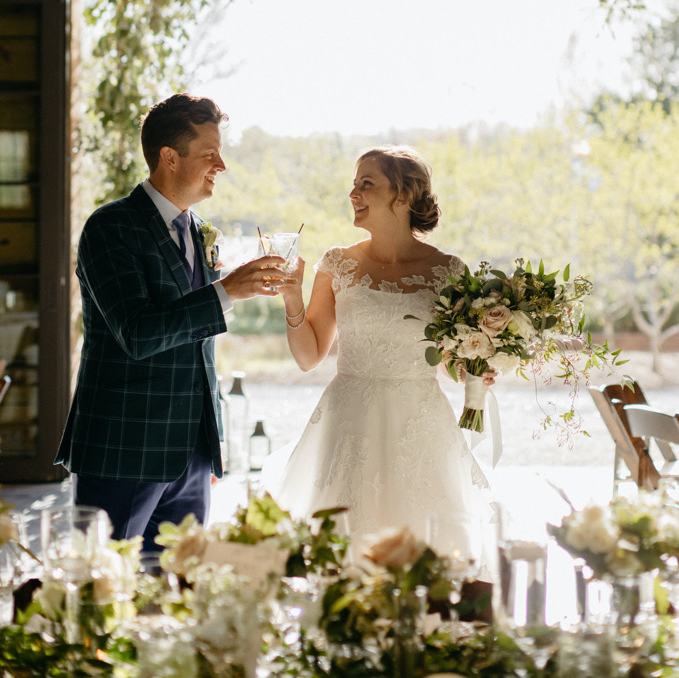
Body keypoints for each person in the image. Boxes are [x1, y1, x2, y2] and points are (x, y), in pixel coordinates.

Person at [55, 93, 290, 552]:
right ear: (169, 157)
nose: (221, 165)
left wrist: (211, 448)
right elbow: (137, 333)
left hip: (192, 456)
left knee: (181, 582)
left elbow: (198, 346)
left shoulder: (199, 230)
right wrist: (226, 291)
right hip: (123, 447)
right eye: (209, 153)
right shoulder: (110, 227)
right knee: (106, 580)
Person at [266, 144, 495, 569]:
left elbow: (452, 363)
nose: (353, 193)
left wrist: (477, 367)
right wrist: (291, 296)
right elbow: (308, 357)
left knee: (425, 556)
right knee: (341, 553)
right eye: (354, 184)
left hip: (420, 425)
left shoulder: (449, 271)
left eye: (366, 184)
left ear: (403, 196)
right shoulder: (337, 263)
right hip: (349, 423)